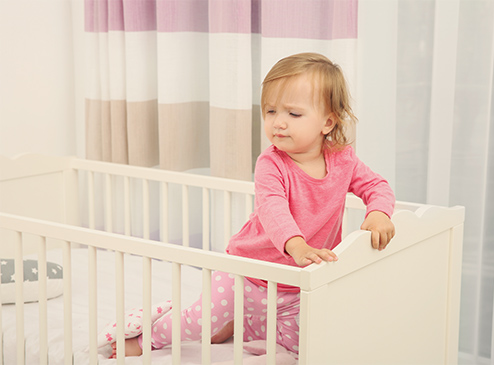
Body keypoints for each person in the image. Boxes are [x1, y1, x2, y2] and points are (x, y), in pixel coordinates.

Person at [111, 52, 395, 358]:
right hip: (246, 272)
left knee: (305, 344)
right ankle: (145, 341)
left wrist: (378, 214)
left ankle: (239, 323)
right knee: (199, 321)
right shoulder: (271, 164)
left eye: (293, 114)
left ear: (327, 122)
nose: (278, 123)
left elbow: (376, 185)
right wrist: (297, 245)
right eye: (271, 111)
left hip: (294, 284)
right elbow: (273, 210)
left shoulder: (343, 160)